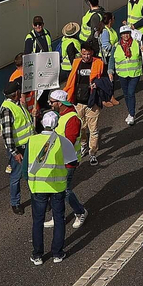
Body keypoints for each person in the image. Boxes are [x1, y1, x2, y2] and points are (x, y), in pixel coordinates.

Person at [24, 110, 70, 264]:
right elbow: (72, 162)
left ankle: (37, 255)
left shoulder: (32, 141)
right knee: (59, 219)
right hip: (57, 187)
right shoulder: (61, 141)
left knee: (38, 221)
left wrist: (29, 183)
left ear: (42, 123)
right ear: (56, 124)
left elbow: (25, 168)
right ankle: (57, 253)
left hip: (37, 187)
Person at [46, 91, 89, 227]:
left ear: (60, 103)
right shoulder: (60, 115)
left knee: (65, 191)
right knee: (55, 189)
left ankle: (80, 211)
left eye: (51, 102)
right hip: (58, 160)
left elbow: (68, 143)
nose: (49, 104)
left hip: (68, 162)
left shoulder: (72, 119)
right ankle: (57, 216)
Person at [0, 81, 34, 211]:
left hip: (29, 145)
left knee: (32, 173)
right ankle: (15, 203)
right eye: (19, 91)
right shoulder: (7, 109)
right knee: (16, 176)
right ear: (15, 94)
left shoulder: (17, 104)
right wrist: (15, 153)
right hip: (19, 149)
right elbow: (7, 135)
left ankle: (37, 198)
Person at [110, 24, 143, 125]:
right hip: (122, 74)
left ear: (130, 34)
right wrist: (110, 71)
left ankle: (132, 114)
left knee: (131, 93)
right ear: (121, 35)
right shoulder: (116, 46)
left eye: (127, 33)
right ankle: (130, 112)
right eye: (123, 34)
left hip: (135, 73)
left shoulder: (137, 43)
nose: (126, 35)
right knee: (126, 94)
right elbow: (112, 59)